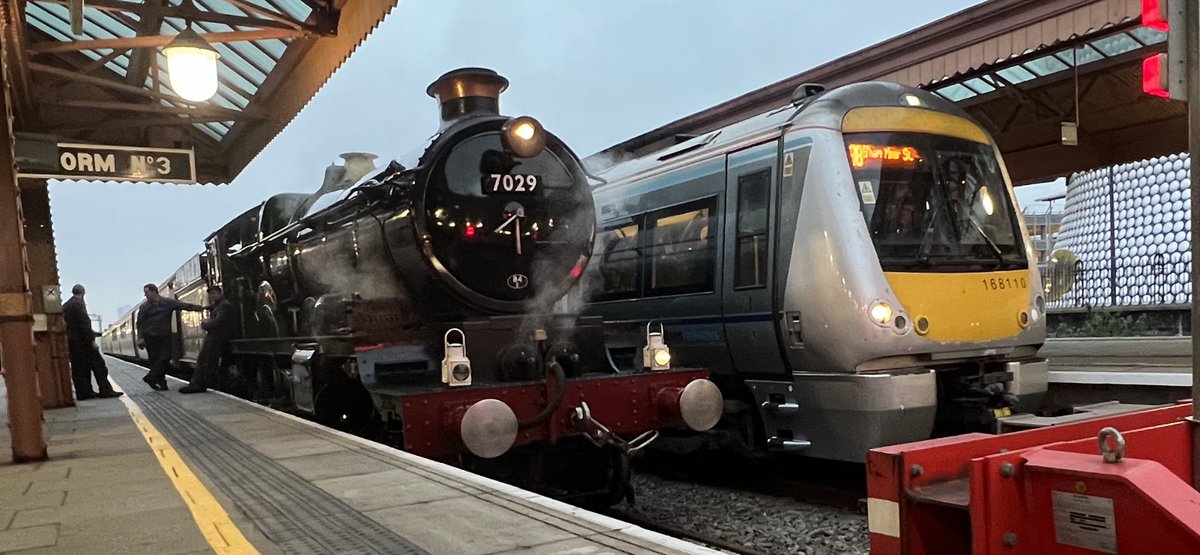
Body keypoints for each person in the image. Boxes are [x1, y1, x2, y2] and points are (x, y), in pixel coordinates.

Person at [136, 283, 203, 391]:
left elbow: (183, 306)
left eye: (146, 293)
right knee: (154, 360)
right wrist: (140, 338)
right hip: (150, 337)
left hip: (164, 336)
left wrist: (201, 308)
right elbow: (140, 323)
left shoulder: (167, 303)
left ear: (154, 291)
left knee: (165, 358)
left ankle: (150, 377)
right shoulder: (144, 307)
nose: (145, 295)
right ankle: (161, 383)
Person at [62, 284, 123, 400]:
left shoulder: (67, 305)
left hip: (73, 343)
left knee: (80, 369)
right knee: (99, 366)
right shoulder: (78, 305)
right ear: (83, 293)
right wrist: (92, 341)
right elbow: (84, 324)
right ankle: (105, 390)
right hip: (84, 343)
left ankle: (84, 393)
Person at [180, 285, 237, 394]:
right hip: (216, 336)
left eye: (214, 293)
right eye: (211, 294)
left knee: (206, 361)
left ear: (220, 293)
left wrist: (205, 324)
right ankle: (199, 384)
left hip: (217, 337)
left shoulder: (224, 306)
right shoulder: (220, 305)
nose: (212, 296)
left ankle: (198, 385)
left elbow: (218, 322)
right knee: (204, 360)